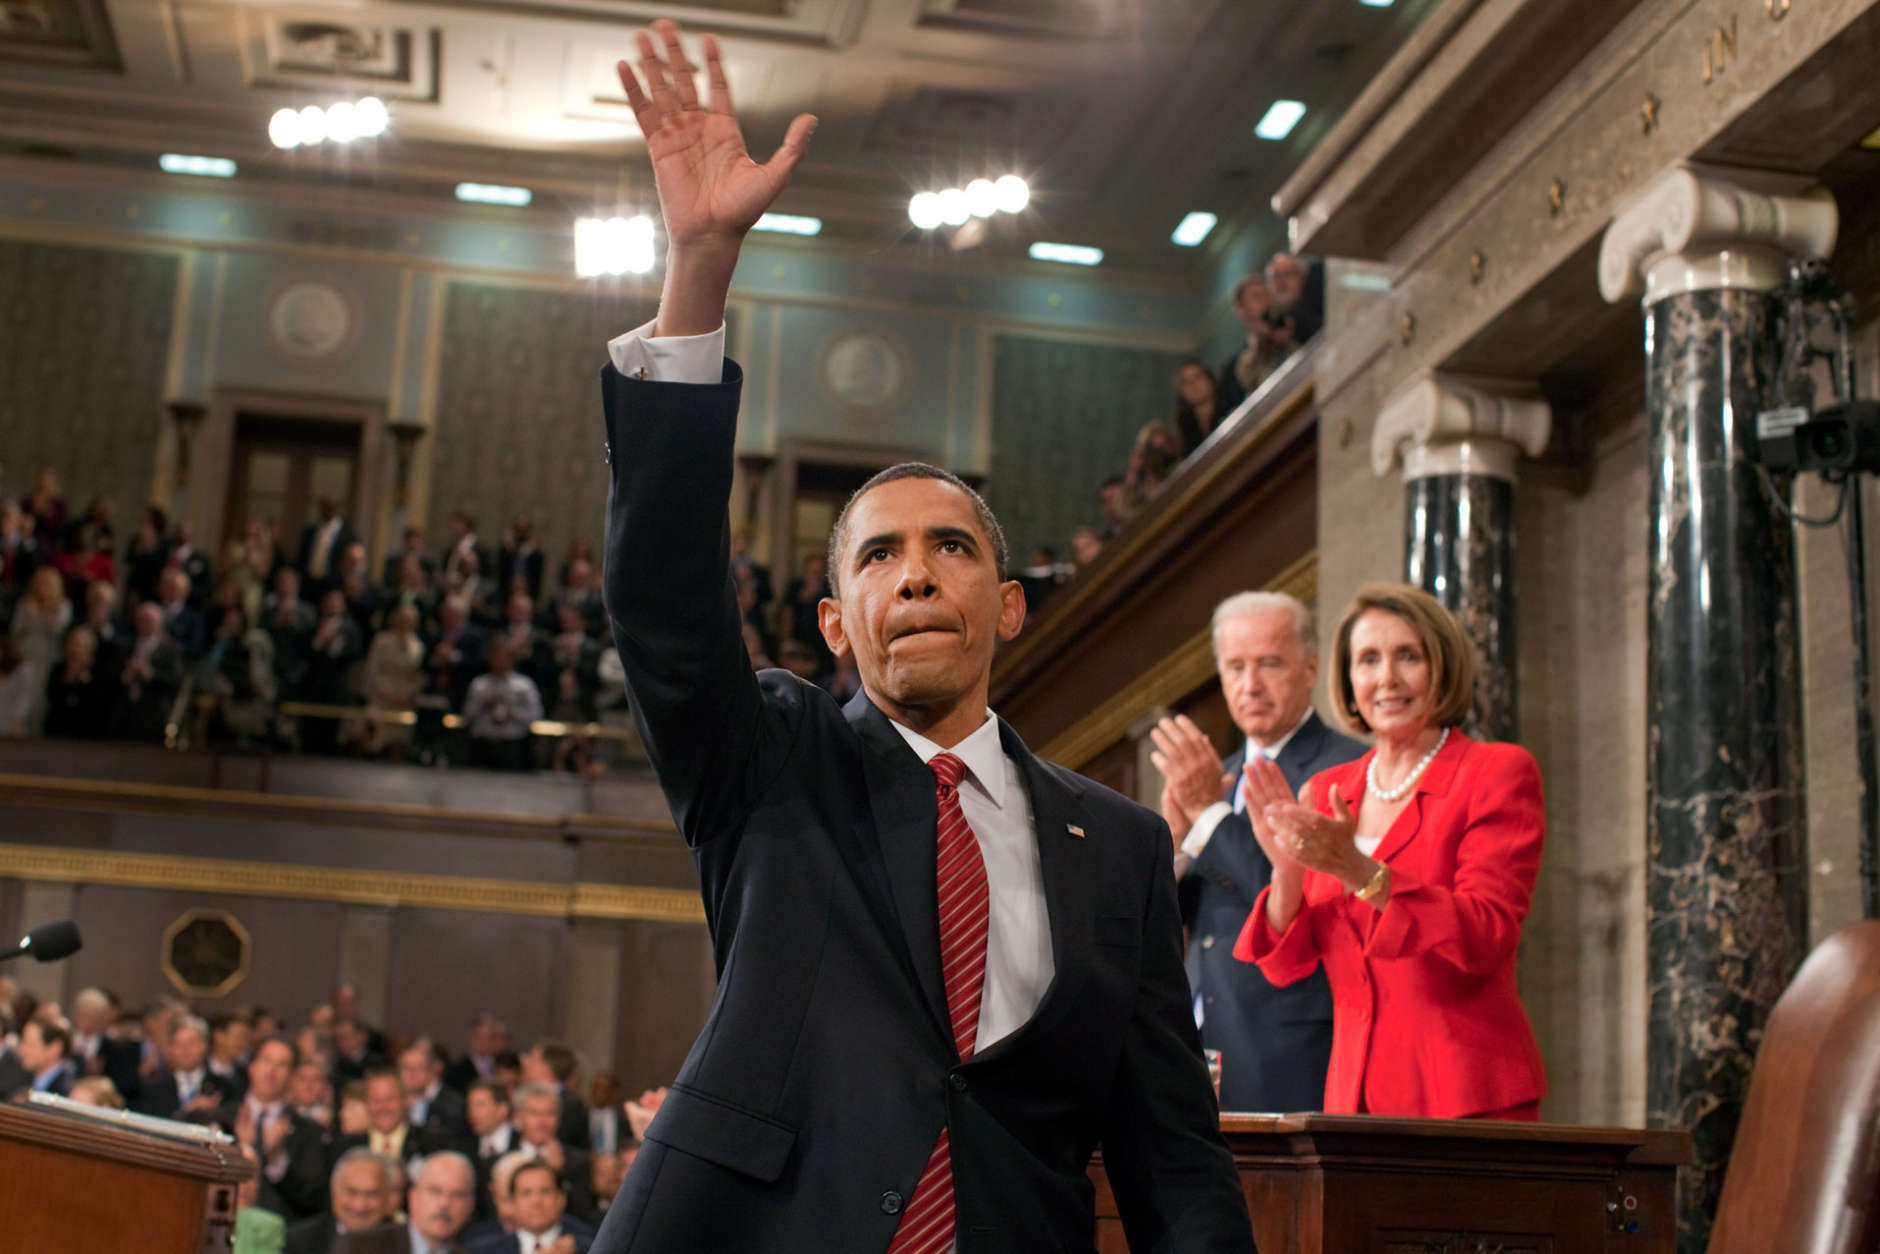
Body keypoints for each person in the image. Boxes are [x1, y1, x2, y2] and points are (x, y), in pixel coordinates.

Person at [592, 21, 1252, 1254]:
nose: (915, 577)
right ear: (837, 624)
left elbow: (1169, 1148)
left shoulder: (1113, 847)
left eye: (951, 547)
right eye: (879, 556)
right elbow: (667, 610)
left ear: (1006, 605)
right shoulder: (773, 763)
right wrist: (698, 269)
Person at [1232, 583, 1548, 1119]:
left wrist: (1353, 868)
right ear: (1349, 681)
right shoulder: (1334, 787)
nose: (1387, 679)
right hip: (1353, 1102)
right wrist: (1287, 872)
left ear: (1442, 667)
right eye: (1368, 660)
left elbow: (1485, 935)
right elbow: (1288, 968)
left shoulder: (1495, 773)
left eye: (1408, 656)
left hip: (1465, 1094)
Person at [1151, 592, 1365, 1113]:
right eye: (1235, 666)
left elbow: (1294, 893)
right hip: (1203, 1042)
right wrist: (1176, 846)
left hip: (1293, 1044)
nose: (1250, 685)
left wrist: (1207, 816)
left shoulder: (1350, 766)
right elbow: (1171, 923)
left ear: (1311, 667)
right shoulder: (1212, 776)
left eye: (1269, 664)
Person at [335, 1151, 479, 1254]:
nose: (444, 1203)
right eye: (435, 1191)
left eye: (457, 1195)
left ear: (470, 1207)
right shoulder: (359, 1247)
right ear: (413, 1197)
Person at [283, 1147, 397, 1254]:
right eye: (351, 1192)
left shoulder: (404, 1244)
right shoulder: (298, 1242)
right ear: (333, 1190)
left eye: (372, 1194)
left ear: (387, 1197)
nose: (360, 1205)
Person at [467, 1161, 594, 1254]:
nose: (536, 1201)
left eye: (545, 1191)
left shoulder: (592, 1248)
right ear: (512, 1203)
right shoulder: (483, 1251)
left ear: (561, 1199)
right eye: (526, 1193)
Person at [1214, 276, 1289, 415]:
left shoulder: (1293, 334)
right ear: (1241, 310)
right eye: (1256, 296)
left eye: (1267, 294)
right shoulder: (1231, 372)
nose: (1265, 300)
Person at [1170, 357, 1225, 456]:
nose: (1193, 385)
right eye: (1186, 382)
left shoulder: (1230, 410)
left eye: (1198, 377)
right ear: (1180, 391)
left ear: (1210, 380)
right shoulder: (1183, 427)